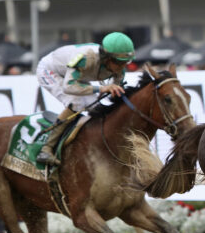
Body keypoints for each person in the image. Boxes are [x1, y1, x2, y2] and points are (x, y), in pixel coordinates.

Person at [35, 32, 134, 166]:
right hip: (50, 71)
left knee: (95, 107)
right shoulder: (85, 58)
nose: (122, 67)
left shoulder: (119, 70)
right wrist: (101, 89)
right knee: (75, 103)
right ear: (106, 57)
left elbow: (114, 95)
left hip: (74, 76)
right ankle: (46, 149)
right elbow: (69, 87)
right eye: (118, 62)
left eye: (125, 63)